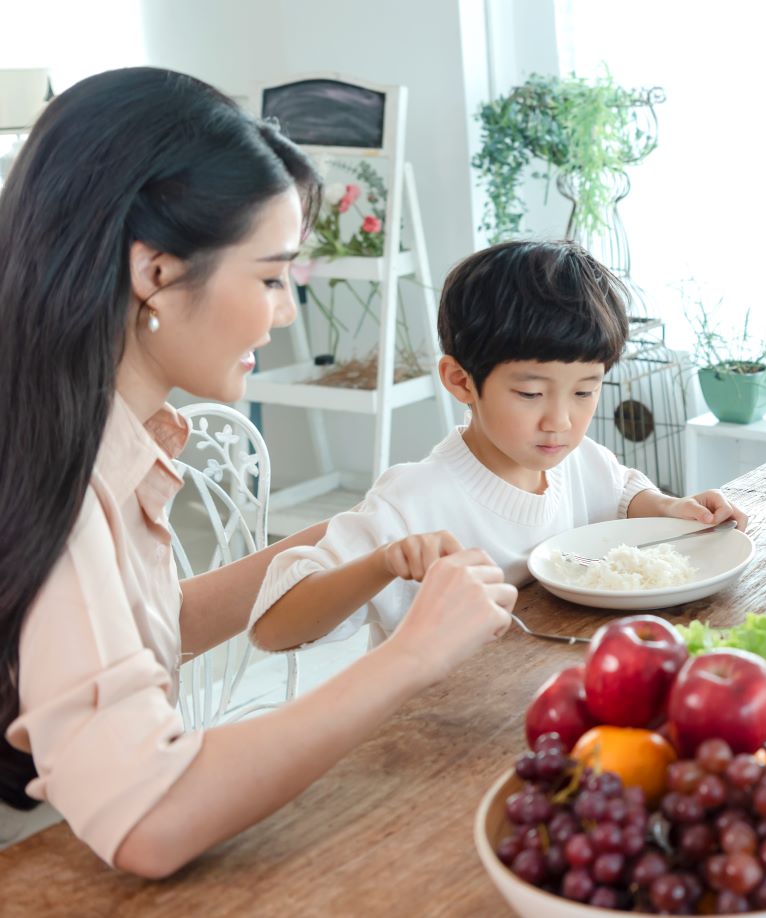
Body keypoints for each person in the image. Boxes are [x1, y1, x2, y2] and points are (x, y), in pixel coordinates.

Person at [0, 68, 517, 876]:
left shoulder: (87, 433)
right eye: (271, 277)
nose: (284, 311)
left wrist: (335, 541)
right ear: (157, 273)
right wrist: (411, 657)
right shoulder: (63, 482)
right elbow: (152, 819)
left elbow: (135, 626)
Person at [249, 240, 747, 650]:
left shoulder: (576, 461)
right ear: (462, 382)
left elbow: (618, 492)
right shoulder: (414, 500)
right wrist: (384, 562)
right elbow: (274, 628)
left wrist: (667, 507)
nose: (561, 420)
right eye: (530, 393)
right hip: (438, 737)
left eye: (585, 391)